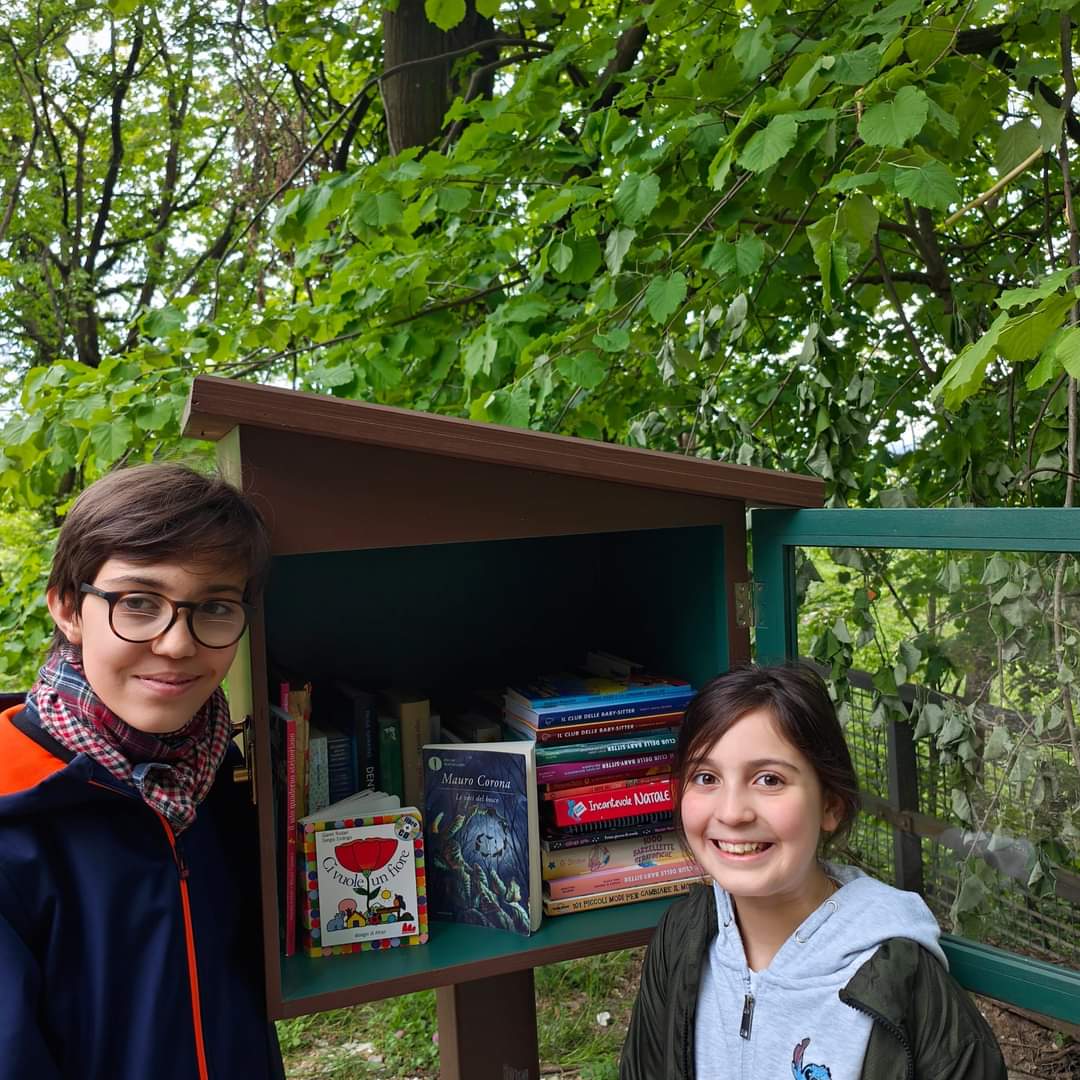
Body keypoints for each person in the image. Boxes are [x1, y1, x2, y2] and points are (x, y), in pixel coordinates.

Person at [0, 462, 285, 1080]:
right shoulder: (15, 813)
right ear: (69, 609)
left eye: (214, 607)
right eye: (138, 602)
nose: (178, 644)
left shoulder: (220, 775)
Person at [620, 663, 1006, 1080]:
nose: (731, 813)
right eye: (706, 776)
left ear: (830, 805)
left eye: (769, 779)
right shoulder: (683, 934)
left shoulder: (902, 976)